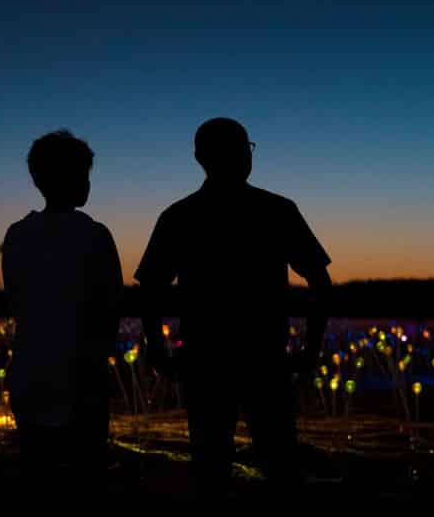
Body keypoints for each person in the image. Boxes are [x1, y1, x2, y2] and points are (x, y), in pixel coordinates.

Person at [135, 118, 332, 492]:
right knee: (277, 461)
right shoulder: (276, 210)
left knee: (212, 464)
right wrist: (311, 346)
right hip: (261, 357)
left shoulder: (180, 215)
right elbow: (320, 281)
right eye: (245, 147)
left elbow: (151, 290)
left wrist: (157, 349)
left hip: (208, 358)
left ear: (199, 158)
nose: (246, 155)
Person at [1, 130, 122, 497]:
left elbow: (16, 299)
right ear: (75, 179)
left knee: (39, 473)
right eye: (84, 175)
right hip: (81, 374)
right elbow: (110, 305)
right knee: (86, 475)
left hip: (30, 370)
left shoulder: (18, 235)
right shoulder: (95, 236)